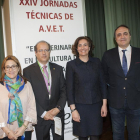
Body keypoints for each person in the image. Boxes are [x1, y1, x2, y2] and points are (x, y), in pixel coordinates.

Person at [102, 25, 140, 140]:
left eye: (125, 33)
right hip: (115, 102)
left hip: (135, 101)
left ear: (130, 36)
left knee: (135, 133)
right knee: (117, 134)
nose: (122, 36)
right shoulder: (108, 55)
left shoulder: (139, 52)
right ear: (115, 38)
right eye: (119, 34)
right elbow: (104, 77)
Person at [66, 36, 107, 140]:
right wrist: (73, 110)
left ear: (89, 47)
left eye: (85, 45)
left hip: (96, 106)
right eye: (80, 45)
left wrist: (104, 105)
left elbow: (102, 84)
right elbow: (69, 89)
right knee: (82, 136)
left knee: (95, 136)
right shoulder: (71, 65)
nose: (82, 47)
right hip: (80, 107)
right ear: (76, 48)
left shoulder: (97, 62)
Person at [23, 40, 66, 140]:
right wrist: (43, 113)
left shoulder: (58, 69)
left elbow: (63, 90)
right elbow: (29, 96)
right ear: (35, 52)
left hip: (57, 114)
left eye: (46, 50)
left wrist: (58, 108)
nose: (44, 53)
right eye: (41, 50)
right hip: (40, 116)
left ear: (49, 52)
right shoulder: (28, 71)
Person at [0, 55, 37, 140]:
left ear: (18, 68)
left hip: (24, 130)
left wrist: (23, 128)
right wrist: (8, 131)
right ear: (4, 70)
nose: (10, 70)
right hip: (5, 132)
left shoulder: (27, 85)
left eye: (13, 66)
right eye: (7, 67)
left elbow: (32, 107)